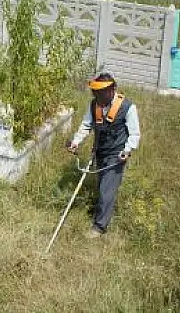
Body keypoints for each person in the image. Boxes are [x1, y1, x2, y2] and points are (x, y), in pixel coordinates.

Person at [65, 72, 141, 239]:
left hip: (117, 154)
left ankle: (99, 227)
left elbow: (135, 134)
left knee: (107, 190)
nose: (97, 95)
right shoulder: (94, 105)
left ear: (112, 90)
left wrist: (127, 150)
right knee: (102, 186)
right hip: (100, 151)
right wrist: (76, 141)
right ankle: (100, 211)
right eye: (95, 92)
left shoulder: (128, 107)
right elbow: (86, 125)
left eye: (101, 92)